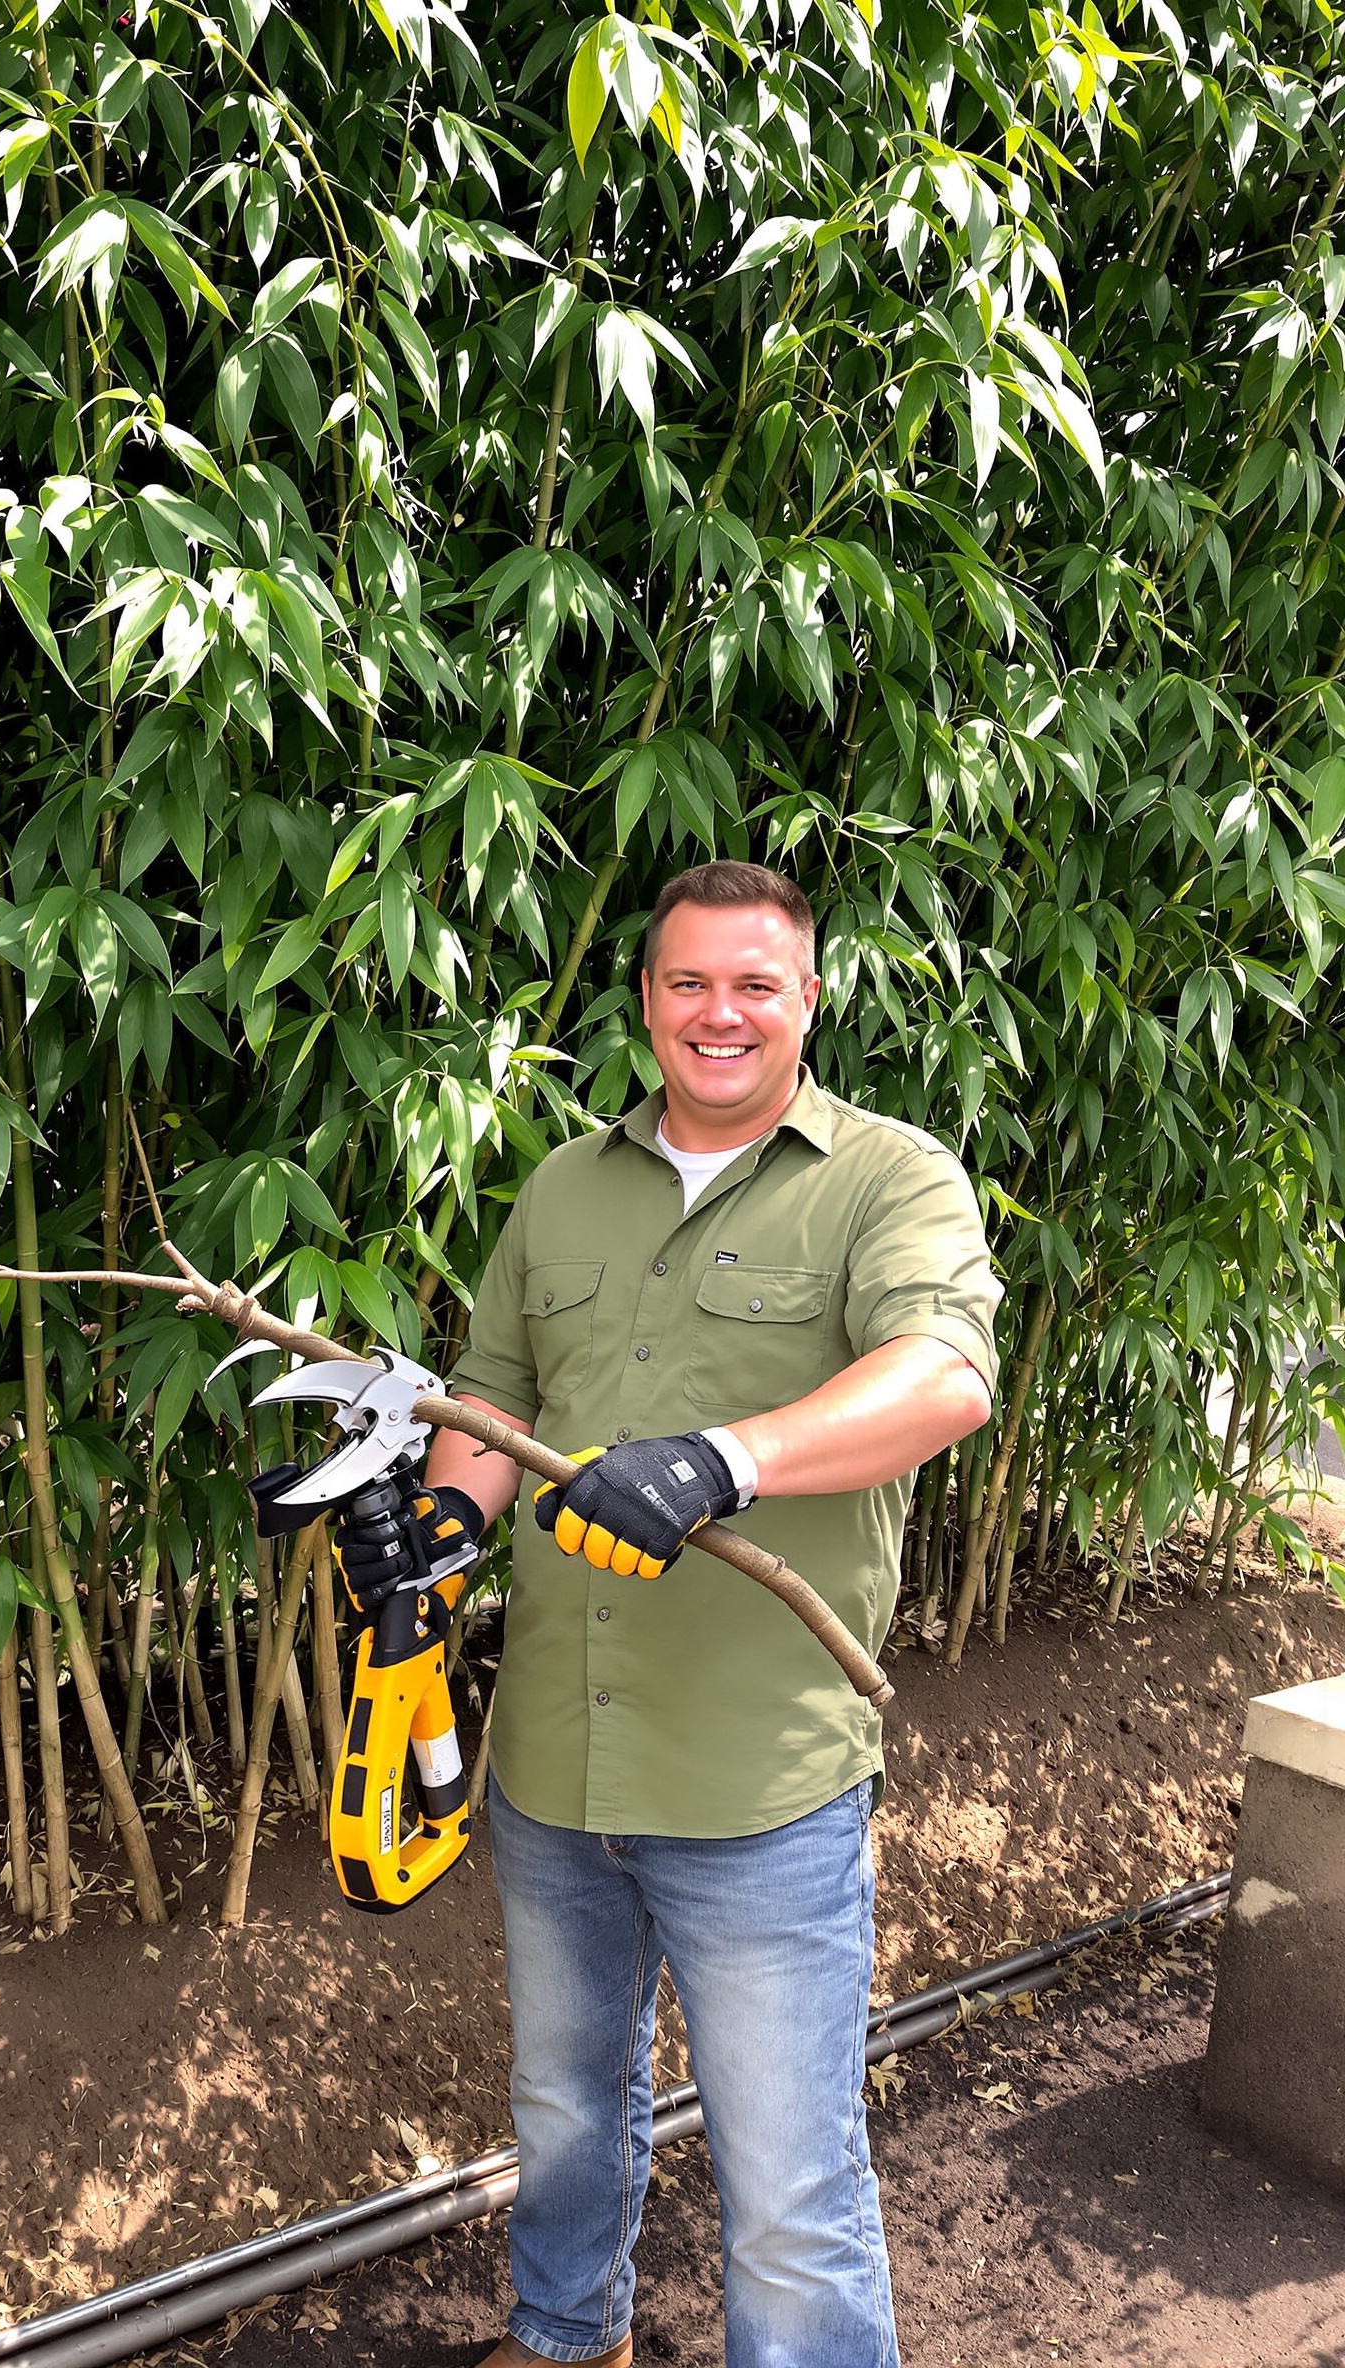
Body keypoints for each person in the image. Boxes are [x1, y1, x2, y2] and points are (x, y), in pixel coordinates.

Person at [338, 859, 1000, 2368]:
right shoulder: (567, 1183)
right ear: (644, 1000)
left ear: (809, 999)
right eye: (688, 981)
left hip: (755, 1779)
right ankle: (569, 2339)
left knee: (789, 2185)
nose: (720, 1013)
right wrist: (445, 1530)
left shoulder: (891, 1178)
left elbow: (946, 1374)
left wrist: (724, 1459)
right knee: (566, 2108)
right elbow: (497, 1386)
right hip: (550, 1767)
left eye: (756, 983)